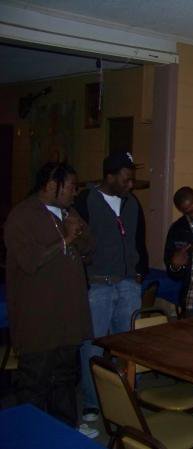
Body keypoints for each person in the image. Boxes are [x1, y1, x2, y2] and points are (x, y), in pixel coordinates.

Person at [4, 161, 97, 437]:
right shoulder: (22, 216)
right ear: (51, 185)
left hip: (68, 318)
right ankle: (29, 436)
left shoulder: (69, 212)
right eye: (71, 186)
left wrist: (78, 234)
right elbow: (30, 260)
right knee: (35, 382)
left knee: (65, 379)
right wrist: (66, 239)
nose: (75, 192)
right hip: (38, 320)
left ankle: (64, 432)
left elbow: (90, 249)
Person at [74, 152, 149, 423]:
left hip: (128, 283)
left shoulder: (132, 203)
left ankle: (126, 396)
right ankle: (92, 401)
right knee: (93, 346)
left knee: (127, 345)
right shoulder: (85, 201)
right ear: (109, 176)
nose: (131, 184)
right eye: (126, 179)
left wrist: (139, 273)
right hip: (98, 285)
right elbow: (75, 243)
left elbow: (139, 240)